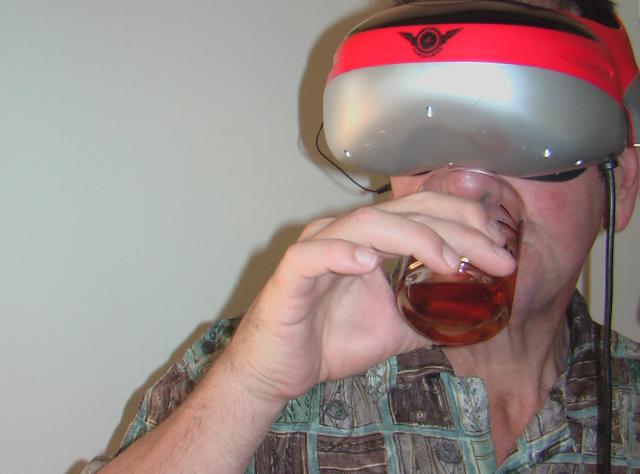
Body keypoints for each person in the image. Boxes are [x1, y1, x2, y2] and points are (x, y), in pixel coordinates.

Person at [83, 0, 640, 472]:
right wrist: (251, 385)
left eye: (526, 138)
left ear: (619, 186)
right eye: (427, 140)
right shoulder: (244, 360)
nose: (466, 190)